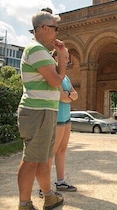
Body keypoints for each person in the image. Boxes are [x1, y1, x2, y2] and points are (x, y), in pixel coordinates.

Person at [17, 10, 67, 210]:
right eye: (55, 28)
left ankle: (48, 197)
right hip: (37, 112)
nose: (57, 32)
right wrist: (62, 59)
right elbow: (56, 81)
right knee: (31, 159)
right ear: (44, 28)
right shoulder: (36, 49)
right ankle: (24, 203)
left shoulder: (41, 51)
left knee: (43, 159)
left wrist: (59, 57)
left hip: (44, 111)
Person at [37, 49, 78, 197]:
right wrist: (69, 96)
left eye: (67, 57)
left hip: (66, 118)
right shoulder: (54, 75)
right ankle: (44, 187)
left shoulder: (65, 77)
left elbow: (75, 94)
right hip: (57, 118)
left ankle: (60, 182)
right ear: (55, 57)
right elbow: (62, 97)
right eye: (64, 57)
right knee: (51, 153)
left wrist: (69, 96)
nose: (67, 60)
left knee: (62, 150)